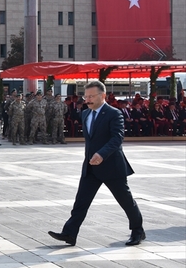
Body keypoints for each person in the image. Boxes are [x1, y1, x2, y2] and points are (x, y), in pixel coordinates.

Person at [49, 80, 145, 247]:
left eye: (91, 96)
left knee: (125, 201)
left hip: (112, 167)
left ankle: (138, 230)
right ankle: (70, 233)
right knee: (81, 202)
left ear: (103, 96)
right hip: (91, 167)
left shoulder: (114, 113)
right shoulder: (85, 113)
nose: (87, 99)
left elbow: (117, 138)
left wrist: (102, 154)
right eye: (86, 96)